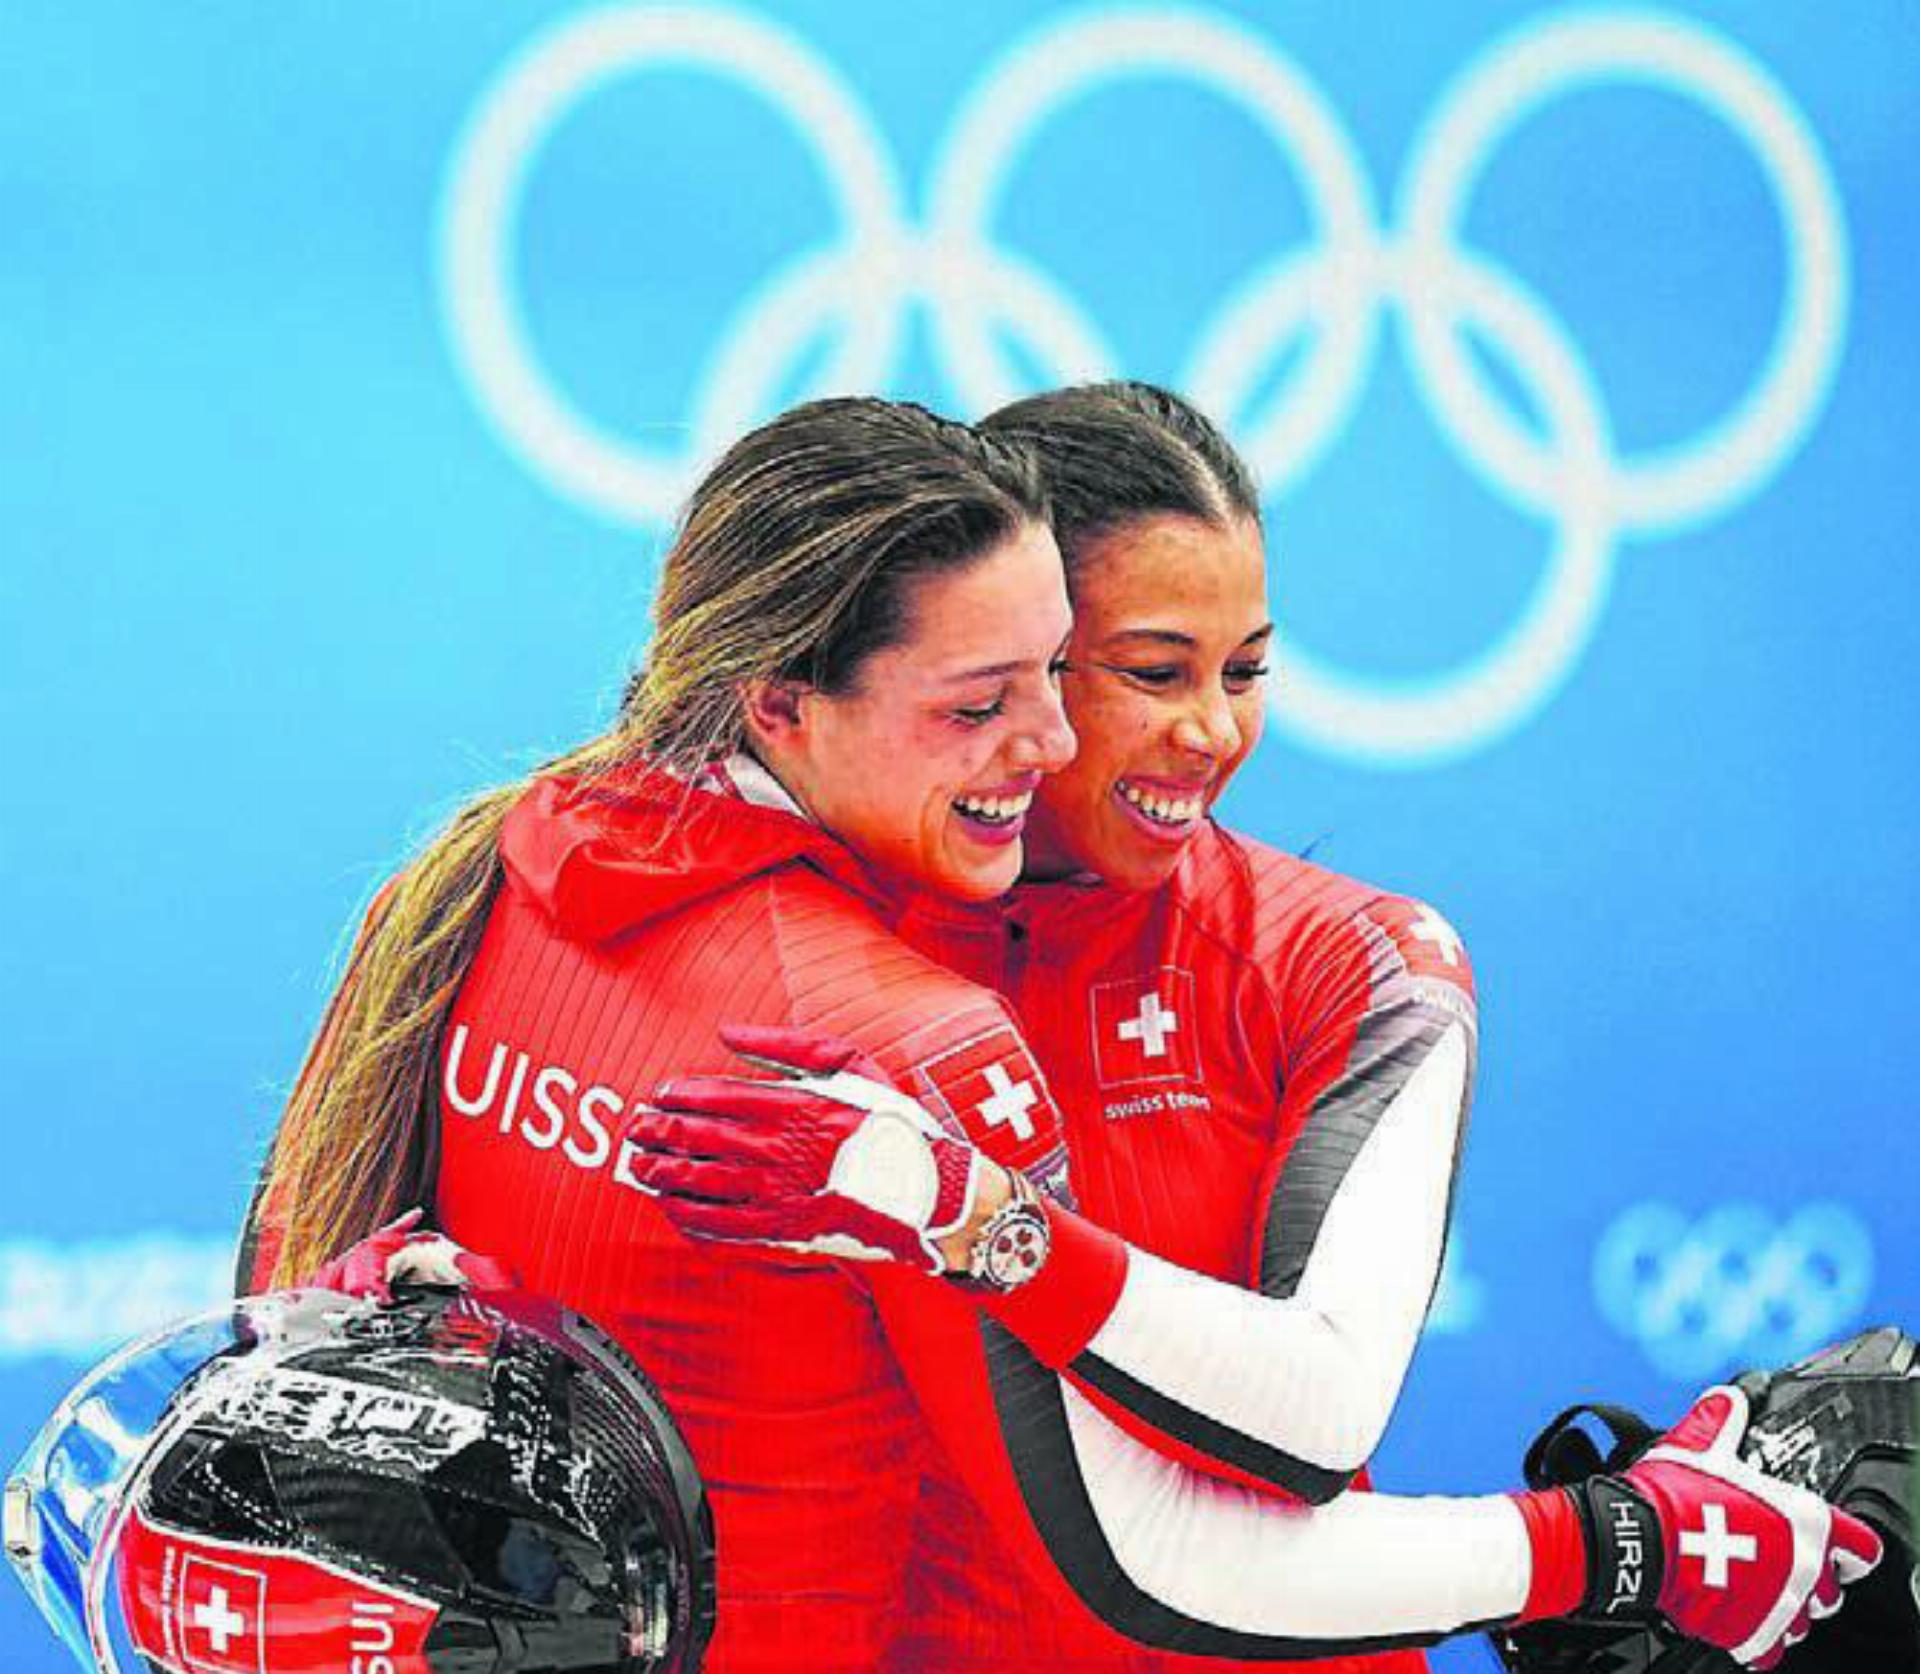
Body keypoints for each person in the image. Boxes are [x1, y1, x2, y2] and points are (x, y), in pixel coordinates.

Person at [246, 393, 1872, 1674]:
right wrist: (1616, 1544)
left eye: (1246, 669)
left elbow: (1318, 1418)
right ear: (789, 697)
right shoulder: (874, 992)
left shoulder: (515, 860)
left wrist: (986, 1228)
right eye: (1121, 672)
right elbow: (1161, 1546)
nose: (1199, 729)